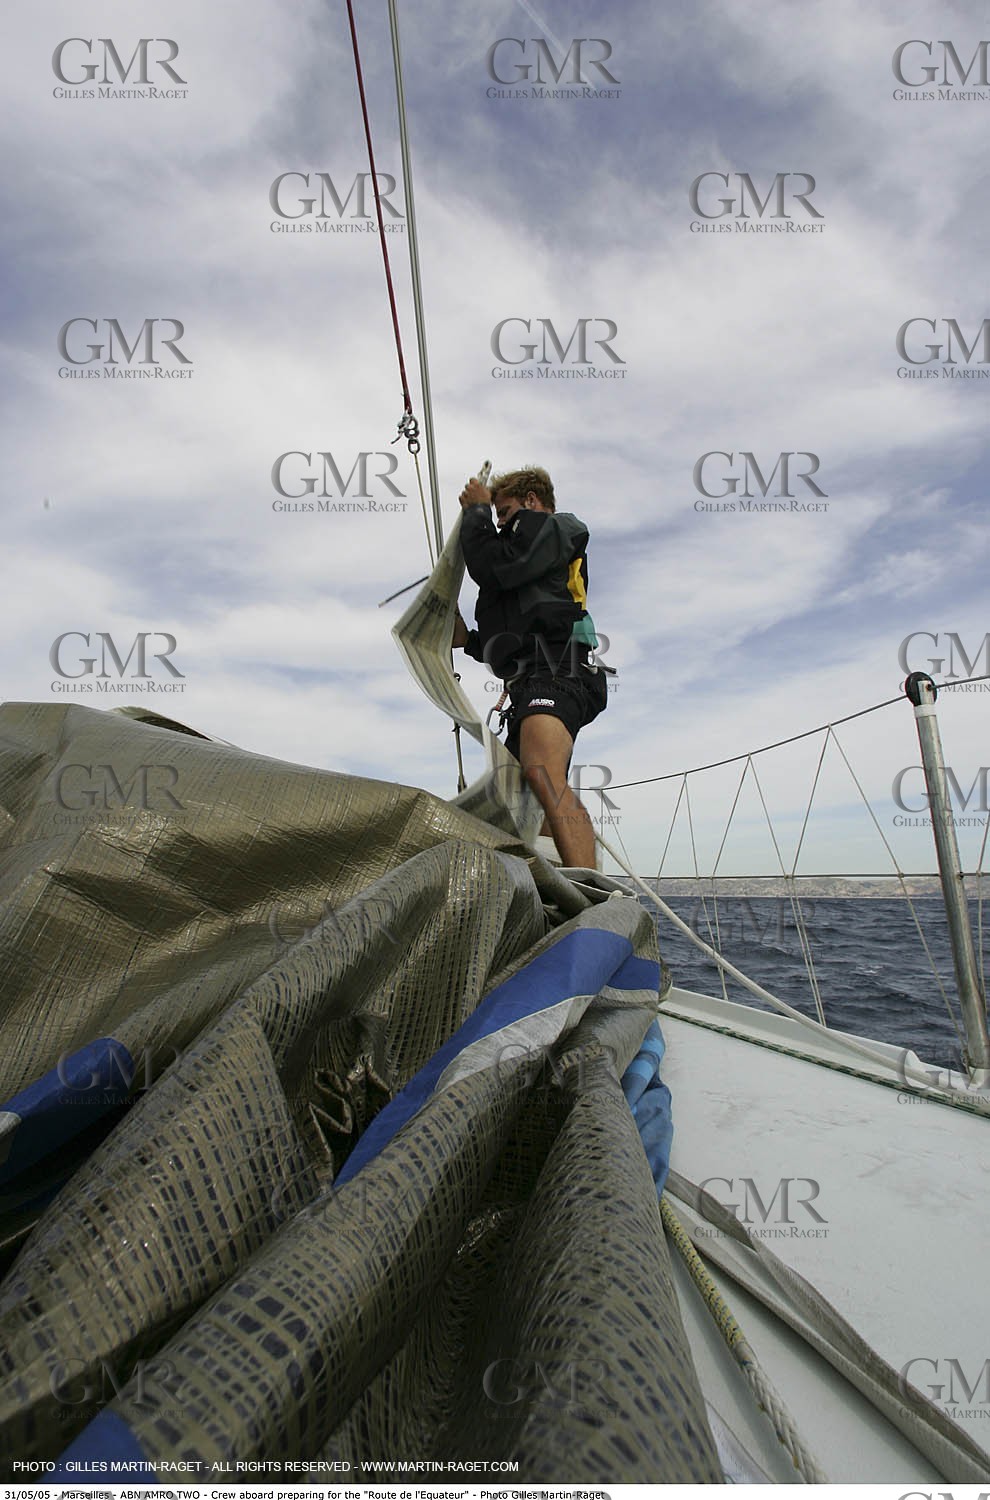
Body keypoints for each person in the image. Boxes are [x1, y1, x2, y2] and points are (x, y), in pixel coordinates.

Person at [452, 466, 607, 868]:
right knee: (522, 801)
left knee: (542, 772)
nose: (500, 524)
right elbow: (515, 637)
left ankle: (591, 894)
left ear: (532, 501)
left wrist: (477, 513)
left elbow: (495, 567)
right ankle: (556, 892)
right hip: (533, 680)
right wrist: (468, 640)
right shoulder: (527, 555)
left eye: (503, 513)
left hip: (558, 672)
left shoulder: (552, 529)